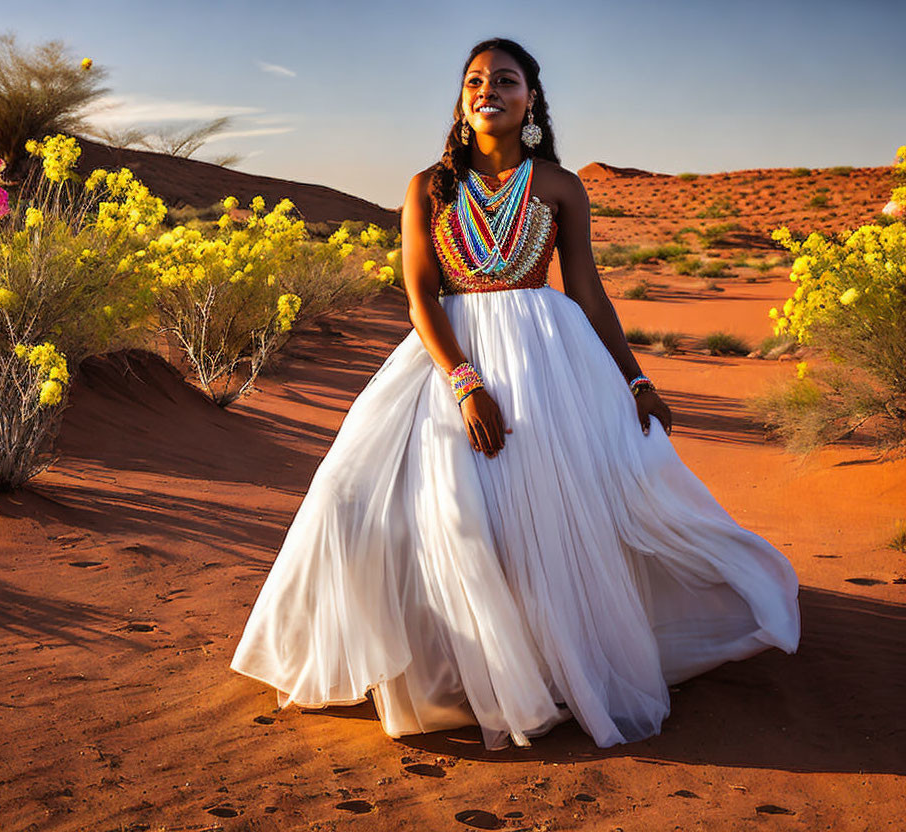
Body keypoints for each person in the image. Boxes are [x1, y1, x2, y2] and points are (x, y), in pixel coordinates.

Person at [229, 37, 800, 751]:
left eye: (505, 79)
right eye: (475, 80)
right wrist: (466, 384)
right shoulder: (427, 187)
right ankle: (451, 665)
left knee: (543, 518)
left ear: (531, 100)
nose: (487, 89)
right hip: (449, 361)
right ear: (463, 99)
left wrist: (636, 377)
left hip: (549, 361)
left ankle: (540, 667)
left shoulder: (559, 185)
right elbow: (420, 295)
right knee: (364, 497)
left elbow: (587, 291)